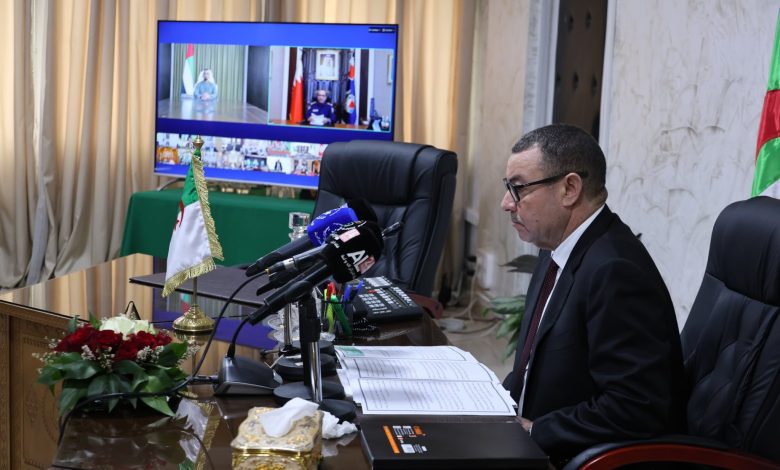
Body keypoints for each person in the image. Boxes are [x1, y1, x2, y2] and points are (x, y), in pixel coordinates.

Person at [500, 124, 686, 466]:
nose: (506, 203)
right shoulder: (554, 247)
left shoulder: (615, 270)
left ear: (569, 189)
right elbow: (532, 366)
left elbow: (636, 406)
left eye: (519, 188)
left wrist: (536, 430)